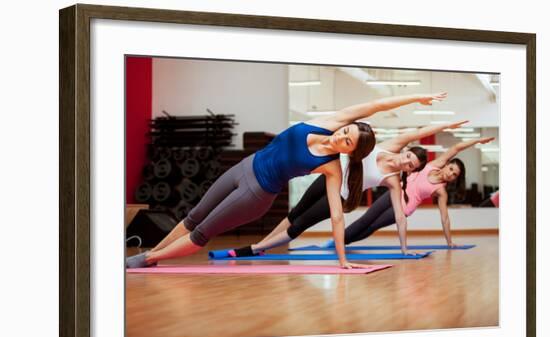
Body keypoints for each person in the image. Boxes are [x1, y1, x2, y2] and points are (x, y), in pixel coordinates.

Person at [126, 92, 447, 269]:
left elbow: (337, 215)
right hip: (244, 166)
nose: (341, 138)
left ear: (351, 153)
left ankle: (146, 258)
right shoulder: (328, 122)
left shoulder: (332, 168)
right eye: (345, 132)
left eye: (347, 142)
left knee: (202, 231)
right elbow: (376, 105)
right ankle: (155, 253)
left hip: (256, 192)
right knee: (193, 216)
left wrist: (343, 258)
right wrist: (416, 97)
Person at [230, 120, 468, 257]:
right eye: (407, 157)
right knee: (293, 214)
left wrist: (404, 248)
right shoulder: (390, 146)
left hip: (341, 196)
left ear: (411, 170)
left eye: (410, 166)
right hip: (327, 177)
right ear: (405, 151)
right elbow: (418, 132)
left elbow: (399, 215)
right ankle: (264, 244)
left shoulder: (393, 181)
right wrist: (447, 125)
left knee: (301, 225)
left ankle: (255, 248)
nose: (405, 162)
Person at [320, 136, 495, 249]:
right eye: (451, 169)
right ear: (446, 165)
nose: (450, 174)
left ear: (455, 178)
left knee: (373, 226)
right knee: (366, 218)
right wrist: (477, 141)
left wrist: (449, 242)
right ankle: (334, 241)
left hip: (405, 207)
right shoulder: (434, 164)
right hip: (394, 194)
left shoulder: (441, 191)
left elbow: (445, 218)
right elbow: (456, 147)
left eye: (454, 174)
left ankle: (342, 242)